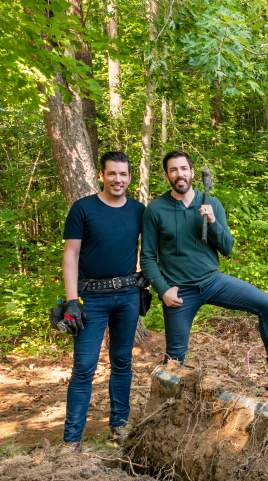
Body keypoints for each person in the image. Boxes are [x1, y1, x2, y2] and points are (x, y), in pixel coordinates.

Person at [140, 151, 268, 386]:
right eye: (173, 170)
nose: (179, 174)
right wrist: (163, 290)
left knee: (267, 305)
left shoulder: (211, 203)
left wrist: (212, 222)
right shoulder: (156, 210)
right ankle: (166, 403)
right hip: (180, 292)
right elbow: (147, 257)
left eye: (183, 168)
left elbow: (227, 248)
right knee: (174, 361)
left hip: (212, 282)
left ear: (192, 172)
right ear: (166, 175)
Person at [61, 151, 146, 451]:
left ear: (130, 177)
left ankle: (119, 426)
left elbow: (152, 248)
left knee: (122, 361)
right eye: (112, 173)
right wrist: (72, 301)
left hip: (128, 296)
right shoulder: (83, 209)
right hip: (91, 298)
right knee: (84, 366)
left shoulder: (138, 210)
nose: (117, 179)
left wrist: (146, 277)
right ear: (102, 175)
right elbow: (71, 254)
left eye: (123, 174)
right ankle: (72, 440)